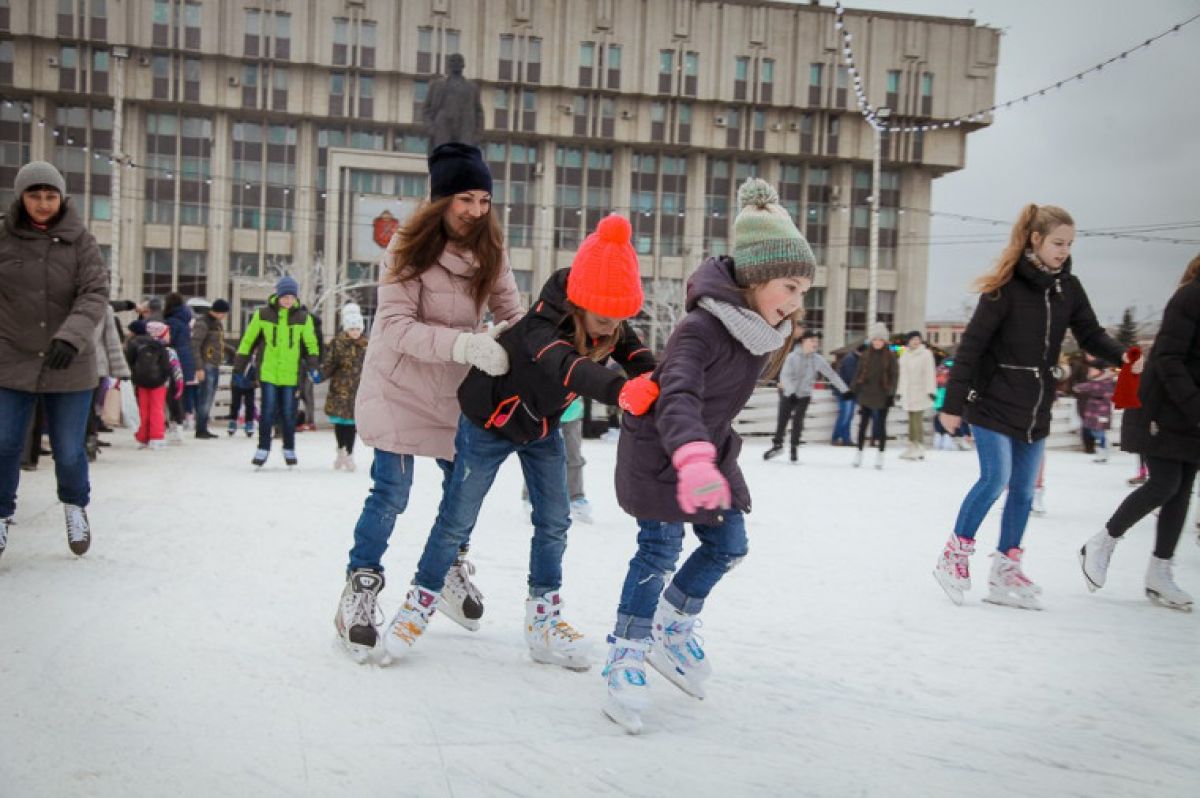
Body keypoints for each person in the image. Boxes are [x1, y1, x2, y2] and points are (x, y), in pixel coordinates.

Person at [382, 213, 657, 668]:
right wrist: (619, 391)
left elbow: (636, 353)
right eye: (606, 318)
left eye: (620, 319)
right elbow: (566, 366)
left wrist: (658, 381)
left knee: (555, 521)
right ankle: (419, 603)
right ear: (581, 303)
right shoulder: (540, 326)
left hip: (540, 428)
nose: (613, 328)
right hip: (488, 423)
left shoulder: (609, 318)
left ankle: (543, 619)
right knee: (457, 518)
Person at [601, 178, 814, 733]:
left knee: (729, 546)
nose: (796, 303)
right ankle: (627, 651)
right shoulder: (702, 328)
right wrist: (693, 458)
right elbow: (679, 398)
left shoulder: (756, 331)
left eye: (802, 291)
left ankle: (672, 624)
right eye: (789, 287)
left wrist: (706, 458)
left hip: (706, 454)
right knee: (658, 551)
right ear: (757, 277)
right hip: (661, 452)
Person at [334, 142, 523, 661]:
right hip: (399, 387)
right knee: (391, 491)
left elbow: (513, 313)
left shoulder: (492, 252)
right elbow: (394, 328)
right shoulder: (405, 250)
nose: (476, 211)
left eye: (484, 200)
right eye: (465, 198)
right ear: (441, 199)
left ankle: (445, 571)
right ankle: (361, 588)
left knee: (460, 493)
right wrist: (464, 343)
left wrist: (521, 339)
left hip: (457, 393)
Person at [933, 204, 1127, 610]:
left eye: (1070, 244)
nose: (1063, 250)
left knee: (1023, 490)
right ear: (1036, 240)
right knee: (995, 478)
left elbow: (1090, 333)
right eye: (1058, 242)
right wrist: (952, 404)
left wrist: (1123, 356)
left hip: (1036, 404)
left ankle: (1006, 569)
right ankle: (954, 557)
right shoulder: (1004, 287)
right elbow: (971, 347)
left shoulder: (1067, 288)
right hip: (992, 400)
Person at [0, 161, 108, 561]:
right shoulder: (4, 237)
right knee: (4, 443)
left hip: (70, 362)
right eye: (34, 195)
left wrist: (72, 335)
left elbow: (94, 292)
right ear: (20, 197)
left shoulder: (82, 241)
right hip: (11, 359)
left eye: (50, 196)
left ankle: (75, 506)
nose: (43, 204)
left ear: (61, 198)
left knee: (67, 449)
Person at [1079, 254, 1200, 612]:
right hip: (1162, 407)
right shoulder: (1191, 296)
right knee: (1164, 484)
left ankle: (1159, 573)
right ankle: (1101, 542)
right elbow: (1168, 359)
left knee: (1181, 490)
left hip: (1189, 411)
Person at [232, 275, 320, 468]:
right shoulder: (263, 314)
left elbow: (311, 344)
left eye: (291, 297)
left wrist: (313, 366)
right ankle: (263, 447)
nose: (288, 301)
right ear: (278, 296)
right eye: (284, 297)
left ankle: (289, 448)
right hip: (268, 372)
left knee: (289, 413)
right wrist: (238, 367)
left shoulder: (303, 318)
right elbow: (248, 340)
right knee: (268, 411)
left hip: (291, 374)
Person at [764, 331, 847, 462]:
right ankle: (777, 445)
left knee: (798, 421)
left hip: (804, 395)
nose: (815, 344)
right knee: (783, 420)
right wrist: (791, 392)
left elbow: (831, 375)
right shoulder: (792, 357)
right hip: (788, 393)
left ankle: (794, 447)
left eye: (817, 342)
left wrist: (845, 390)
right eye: (812, 341)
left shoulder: (817, 359)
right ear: (804, 341)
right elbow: (784, 376)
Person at [321, 302, 369, 471]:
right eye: (352, 328)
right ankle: (341, 449)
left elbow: (371, 366)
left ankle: (350, 453)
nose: (355, 332)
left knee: (352, 425)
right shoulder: (338, 343)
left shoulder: (366, 345)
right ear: (346, 329)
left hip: (357, 392)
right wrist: (320, 375)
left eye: (357, 328)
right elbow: (329, 363)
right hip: (340, 390)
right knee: (340, 423)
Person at [126, 321, 183, 450]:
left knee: (144, 409)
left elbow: (130, 361)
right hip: (158, 383)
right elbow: (166, 367)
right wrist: (164, 378)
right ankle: (156, 437)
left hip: (141, 382)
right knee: (157, 409)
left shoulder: (137, 344)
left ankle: (143, 438)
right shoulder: (161, 348)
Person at [851, 323, 898, 469]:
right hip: (866, 393)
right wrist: (852, 390)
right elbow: (858, 374)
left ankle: (880, 454)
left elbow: (895, 376)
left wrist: (891, 394)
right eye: (875, 339)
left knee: (880, 425)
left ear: (885, 341)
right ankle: (859, 453)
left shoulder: (890, 356)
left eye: (880, 339)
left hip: (883, 395)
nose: (877, 342)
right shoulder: (865, 355)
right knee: (863, 425)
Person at [190, 298, 229, 439]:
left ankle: (203, 427)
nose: (225, 316)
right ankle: (200, 429)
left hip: (214, 363)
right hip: (206, 364)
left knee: (209, 397)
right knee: (205, 398)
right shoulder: (203, 323)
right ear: (220, 312)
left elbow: (220, 344)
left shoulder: (217, 324)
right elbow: (195, 345)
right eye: (224, 313)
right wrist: (199, 367)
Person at [896, 330, 937, 461]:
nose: (916, 341)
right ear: (908, 341)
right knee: (910, 418)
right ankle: (911, 445)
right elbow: (902, 376)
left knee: (917, 419)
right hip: (908, 391)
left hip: (920, 390)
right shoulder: (905, 355)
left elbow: (930, 373)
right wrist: (899, 392)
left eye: (918, 339)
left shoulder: (925, 354)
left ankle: (919, 446)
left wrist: (931, 390)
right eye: (913, 339)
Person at [162, 292, 196, 429]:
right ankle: (185, 419)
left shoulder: (172, 322)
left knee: (172, 392)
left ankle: (176, 420)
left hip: (173, 358)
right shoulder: (185, 321)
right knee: (182, 390)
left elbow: (169, 341)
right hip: (186, 357)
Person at [1073, 363, 1115, 463]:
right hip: (1094, 411)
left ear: (1099, 371)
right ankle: (1103, 448)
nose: (1090, 372)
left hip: (1102, 412)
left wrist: (1080, 387)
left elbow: (1093, 388)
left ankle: (1103, 450)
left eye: (1092, 370)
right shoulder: (1096, 381)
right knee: (1093, 430)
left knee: (1099, 431)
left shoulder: (1105, 381)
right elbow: (1085, 387)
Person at [830, 346, 860, 446]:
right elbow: (851, 377)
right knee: (845, 415)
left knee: (848, 416)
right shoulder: (851, 360)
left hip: (849, 392)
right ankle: (836, 437)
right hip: (845, 392)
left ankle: (846, 439)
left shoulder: (855, 359)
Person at [228, 354, 258, 438]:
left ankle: (249, 423)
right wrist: (233, 380)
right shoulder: (239, 354)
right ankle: (233, 421)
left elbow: (258, 369)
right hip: (237, 383)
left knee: (250, 404)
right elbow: (235, 368)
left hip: (250, 385)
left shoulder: (257, 358)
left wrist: (256, 380)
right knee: (235, 404)